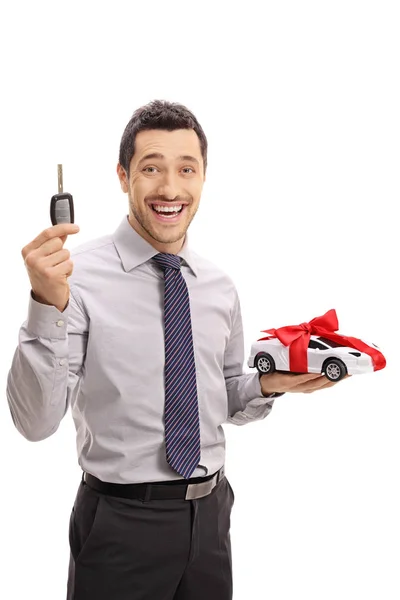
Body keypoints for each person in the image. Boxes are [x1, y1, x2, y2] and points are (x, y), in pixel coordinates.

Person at [6, 100, 345, 600]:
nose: (169, 188)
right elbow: (34, 423)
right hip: (121, 523)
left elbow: (221, 395)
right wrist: (46, 304)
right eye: (151, 168)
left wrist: (269, 383)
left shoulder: (218, 286)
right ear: (123, 177)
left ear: (203, 178)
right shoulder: (72, 280)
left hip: (211, 517)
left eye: (186, 169)